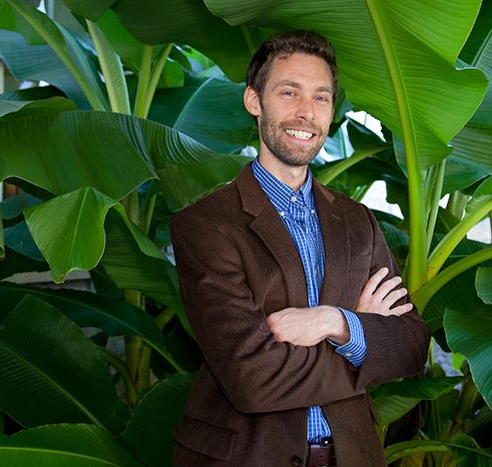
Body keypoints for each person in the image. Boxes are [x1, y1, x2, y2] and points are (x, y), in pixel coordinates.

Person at [169, 30, 430, 467]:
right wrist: (366, 345)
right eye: (289, 92)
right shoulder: (206, 225)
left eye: (321, 97)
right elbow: (252, 380)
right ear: (255, 101)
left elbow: (411, 347)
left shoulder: (357, 221)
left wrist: (336, 323)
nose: (306, 112)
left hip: (353, 455)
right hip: (249, 456)